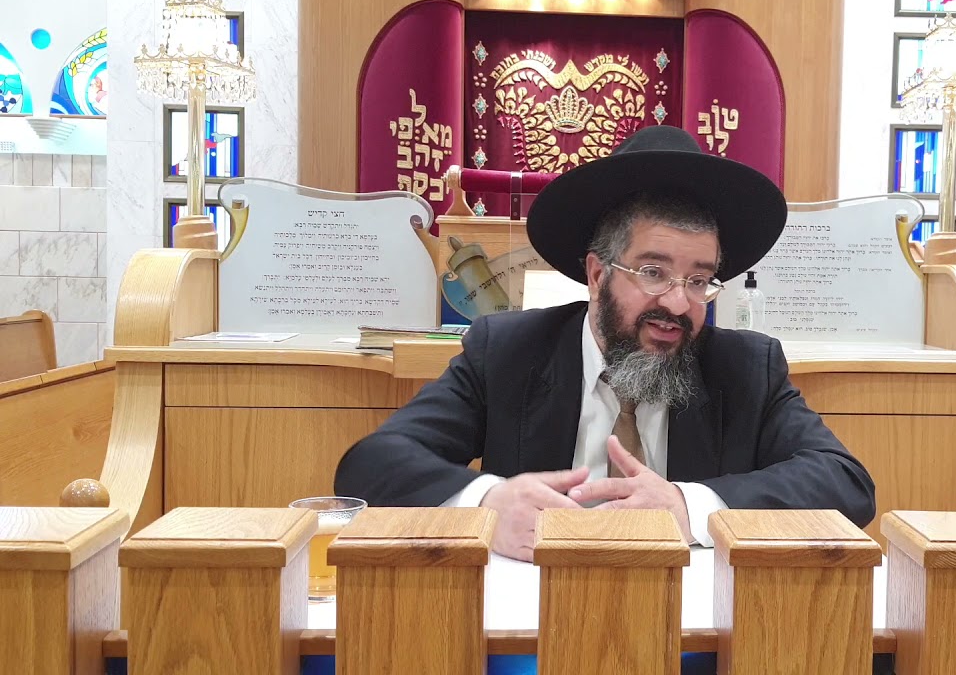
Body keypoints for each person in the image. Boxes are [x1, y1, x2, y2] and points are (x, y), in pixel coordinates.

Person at [334, 125, 876, 561]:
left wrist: (690, 507)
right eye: (653, 272)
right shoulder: (509, 351)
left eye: (698, 279)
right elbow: (371, 465)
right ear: (597, 275)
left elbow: (846, 483)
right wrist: (488, 502)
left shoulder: (744, 366)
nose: (679, 303)